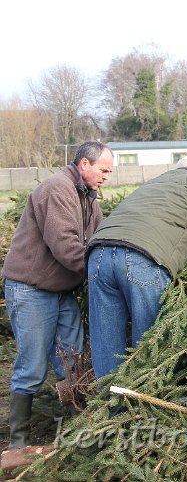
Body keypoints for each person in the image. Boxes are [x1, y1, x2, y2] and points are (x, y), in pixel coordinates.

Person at [86, 149, 187, 379]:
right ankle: (142, 405)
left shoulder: (155, 183)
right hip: (143, 258)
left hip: (98, 254)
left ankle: (107, 408)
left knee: (106, 342)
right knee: (150, 345)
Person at [2, 141, 114, 449]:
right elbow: (67, 247)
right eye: (103, 170)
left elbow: (99, 236)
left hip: (61, 291)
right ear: (84, 165)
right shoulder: (57, 190)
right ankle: (18, 442)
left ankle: (81, 433)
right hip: (31, 290)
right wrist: (101, 276)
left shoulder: (88, 196)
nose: (107, 177)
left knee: (73, 362)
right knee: (32, 367)